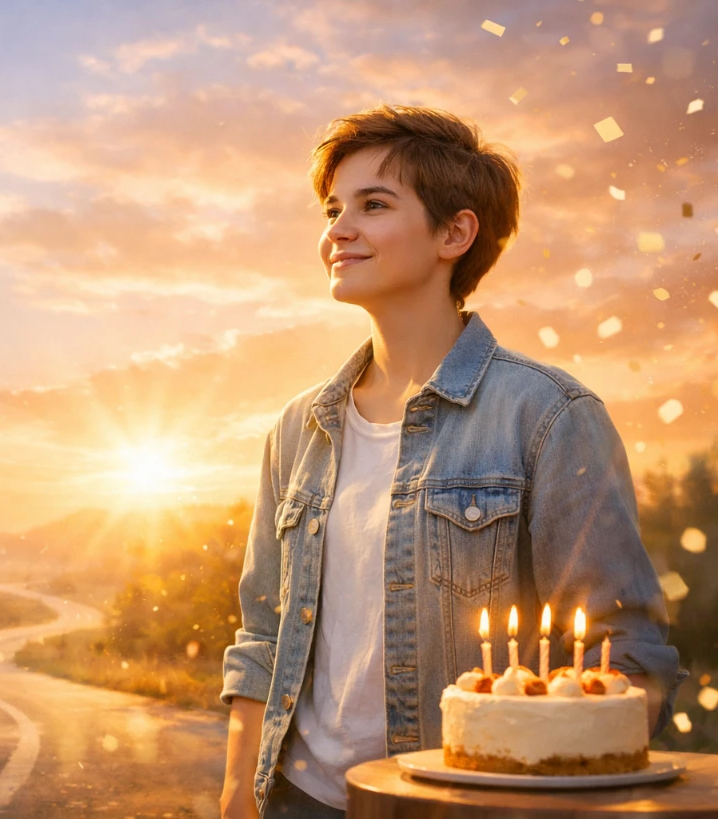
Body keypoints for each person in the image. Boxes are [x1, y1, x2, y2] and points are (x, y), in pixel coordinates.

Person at [218, 103, 686, 818]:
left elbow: (624, 650)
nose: (338, 229)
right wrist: (236, 795)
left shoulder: (551, 415)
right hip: (296, 798)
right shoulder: (297, 428)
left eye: (373, 204)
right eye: (333, 206)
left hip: (463, 804)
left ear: (454, 232)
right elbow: (261, 632)